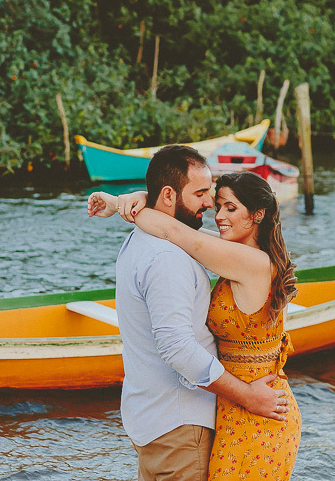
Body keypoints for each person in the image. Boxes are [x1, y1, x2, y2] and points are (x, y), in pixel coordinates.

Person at [87, 145, 290, 481]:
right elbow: (177, 346)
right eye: (202, 195)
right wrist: (134, 200)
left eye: (227, 205)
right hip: (184, 421)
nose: (213, 209)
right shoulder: (169, 256)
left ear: (256, 215)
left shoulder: (143, 242)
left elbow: (174, 228)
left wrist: (131, 201)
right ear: (168, 195)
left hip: (167, 417)